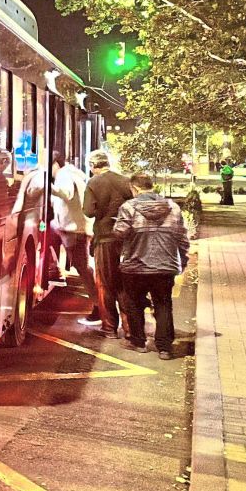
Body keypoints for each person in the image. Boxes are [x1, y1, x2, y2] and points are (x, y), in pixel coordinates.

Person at [113, 172, 188, 358]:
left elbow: (120, 233)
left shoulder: (128, 207)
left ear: (135, 188)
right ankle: (164, 348)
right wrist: (182, 261)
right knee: (163, 304)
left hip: (135, 265)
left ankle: (139, 342)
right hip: (165, 266)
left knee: (134, 303)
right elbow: (182, 238)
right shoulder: (173, 207)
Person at [83, 150, 134, 339]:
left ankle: (110, 328)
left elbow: (88, 211)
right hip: (125, 239)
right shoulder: (125, 181)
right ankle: (129, 329)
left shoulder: (93, 183)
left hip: (104, 238)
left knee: (105, 283)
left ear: (93, 166)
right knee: (124, 283)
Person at [49, 152, 99, 326]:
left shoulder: (64, 175)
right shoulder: (72, 173)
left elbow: (67, 194)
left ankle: (99, 306)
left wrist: (47, 186)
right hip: (75, 228)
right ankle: (53, 267)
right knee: (82, 267)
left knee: (83, 268)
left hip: (74, 230)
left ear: (54, 163)